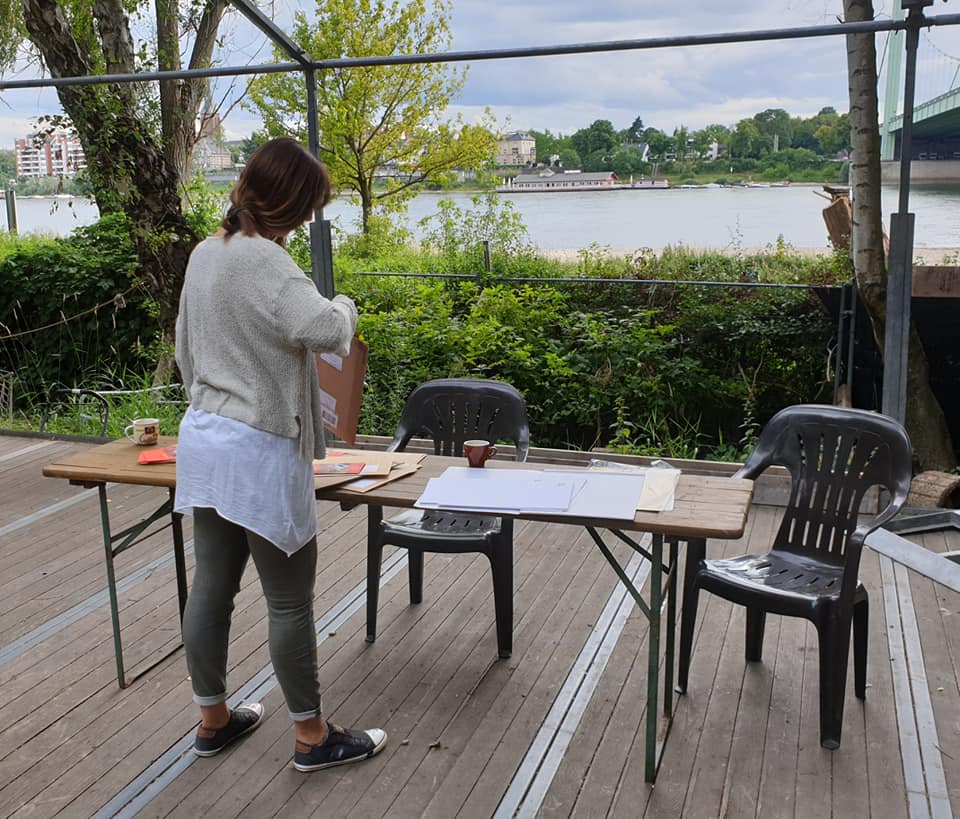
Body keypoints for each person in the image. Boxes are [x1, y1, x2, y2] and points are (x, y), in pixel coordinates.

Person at [174, 137, 386, 771]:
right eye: (307, 208)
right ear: (289, 203)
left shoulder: (207, 253)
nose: (305, 221)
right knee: (289, 600)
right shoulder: (265, 261)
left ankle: (213, 720)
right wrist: (343, 304)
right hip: (260, 447)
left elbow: (186, 349)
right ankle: (313, 737)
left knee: (211, 586)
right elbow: (326, 330)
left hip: (205, 437)